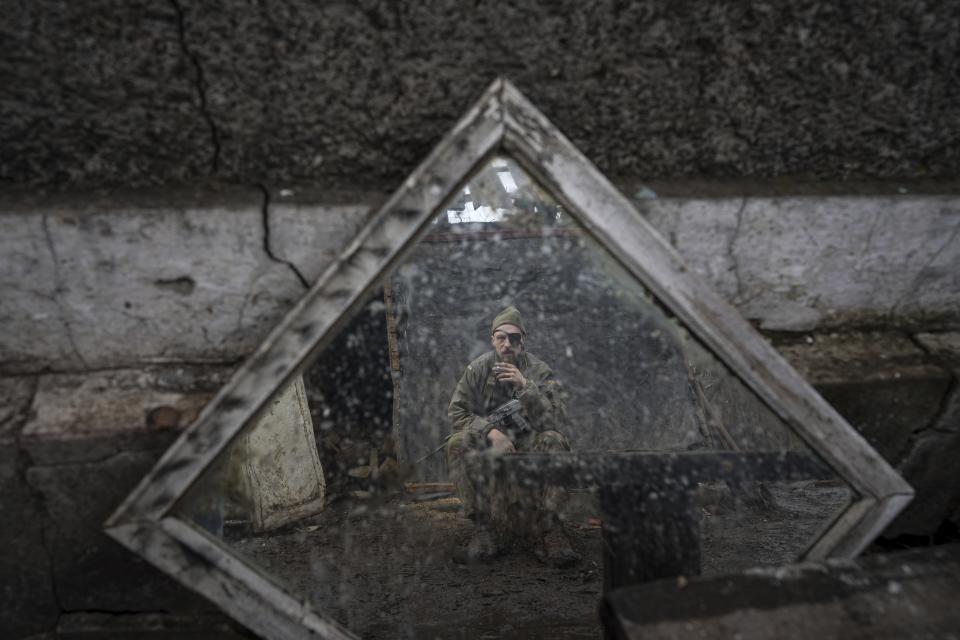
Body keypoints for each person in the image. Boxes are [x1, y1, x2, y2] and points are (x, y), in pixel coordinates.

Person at [446, 305, 579, 566]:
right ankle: (484, 531)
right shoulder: (478, 369)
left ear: (523, 341)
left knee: (554, 439)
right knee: (457, 443)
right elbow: (456, 412)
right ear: (492, 339)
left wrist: (525, 387)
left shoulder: (539, 371)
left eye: (514, 338)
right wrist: (491, 432)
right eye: (501, 337)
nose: (508, 344)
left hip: (530, 439)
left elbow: (556, 420)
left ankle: (551, 530)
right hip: (491, 440)